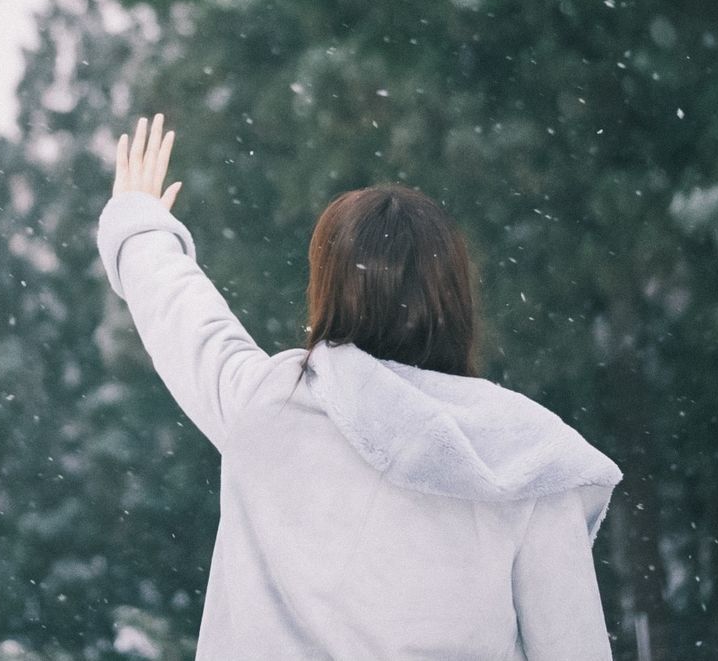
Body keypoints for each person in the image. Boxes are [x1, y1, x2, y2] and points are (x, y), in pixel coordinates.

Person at [97, 113, 623, 660]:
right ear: (456, 300)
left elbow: (184, 317)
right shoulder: (528, 457)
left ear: (330, 289)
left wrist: (141, 225)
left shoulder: (269, 405)